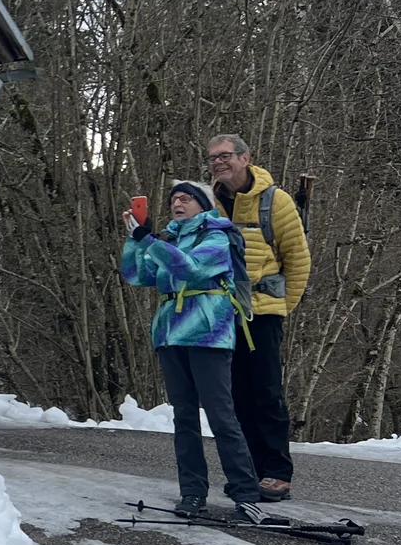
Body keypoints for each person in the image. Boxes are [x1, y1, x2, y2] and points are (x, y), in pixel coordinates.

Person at [121, 181, 265, 522]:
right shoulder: (167, 239)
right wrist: (134, 239)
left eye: (186, 198)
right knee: (184, 418)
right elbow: (136, 276)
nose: (177, 203)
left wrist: (149, 241)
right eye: (173, 199)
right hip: (170, 336)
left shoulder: (217, 236)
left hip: (208, 335)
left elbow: (192, 270)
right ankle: (192, 493)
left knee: (220, 416)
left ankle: (246, 495)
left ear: (203, 204)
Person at [206, 134, 311, 502]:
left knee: (266, 394)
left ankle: (277, 473)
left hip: (262, 314)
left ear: (245, 158)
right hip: (220, 315)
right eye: (213, 157)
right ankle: (247, 471)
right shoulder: (208, 202)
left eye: (225, 156)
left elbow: (298, 259)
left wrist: (281, 306)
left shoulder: (275, 201)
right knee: (234, 398)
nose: (218, 163)